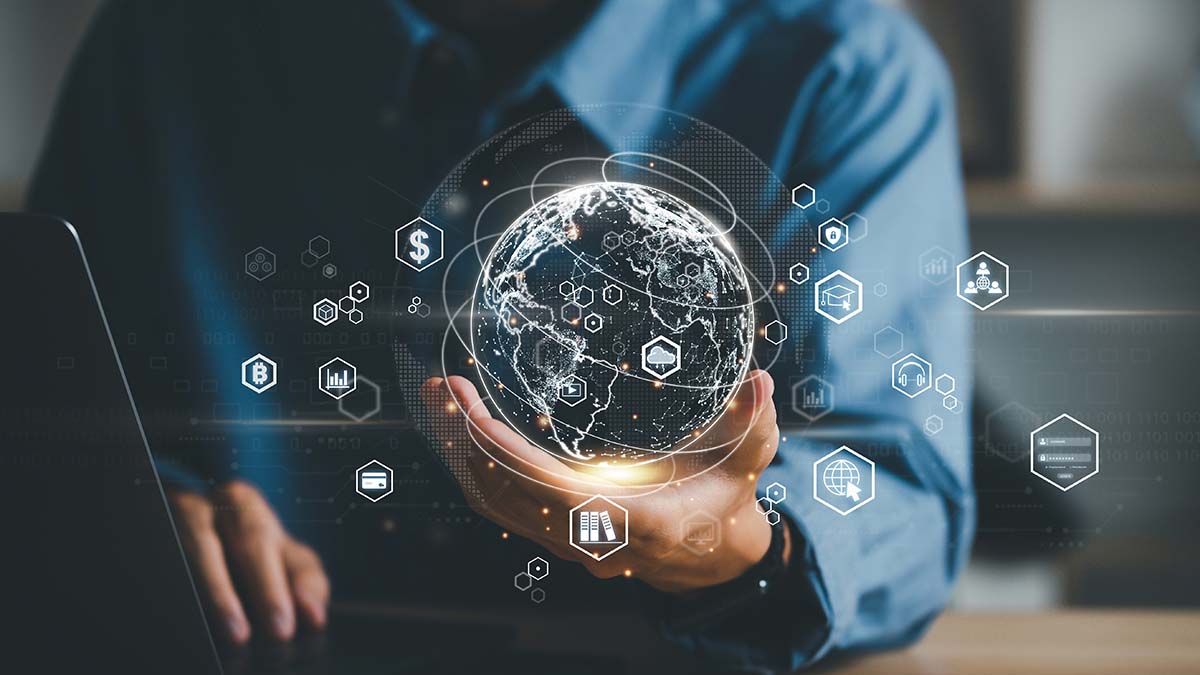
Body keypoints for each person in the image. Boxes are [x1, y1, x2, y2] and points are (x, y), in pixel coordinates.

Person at [28, 0, 972, 670]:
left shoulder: (843, 67)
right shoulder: (162, 45)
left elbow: (900, 495)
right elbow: (40, 419)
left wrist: (732, 546)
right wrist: (139, 516)